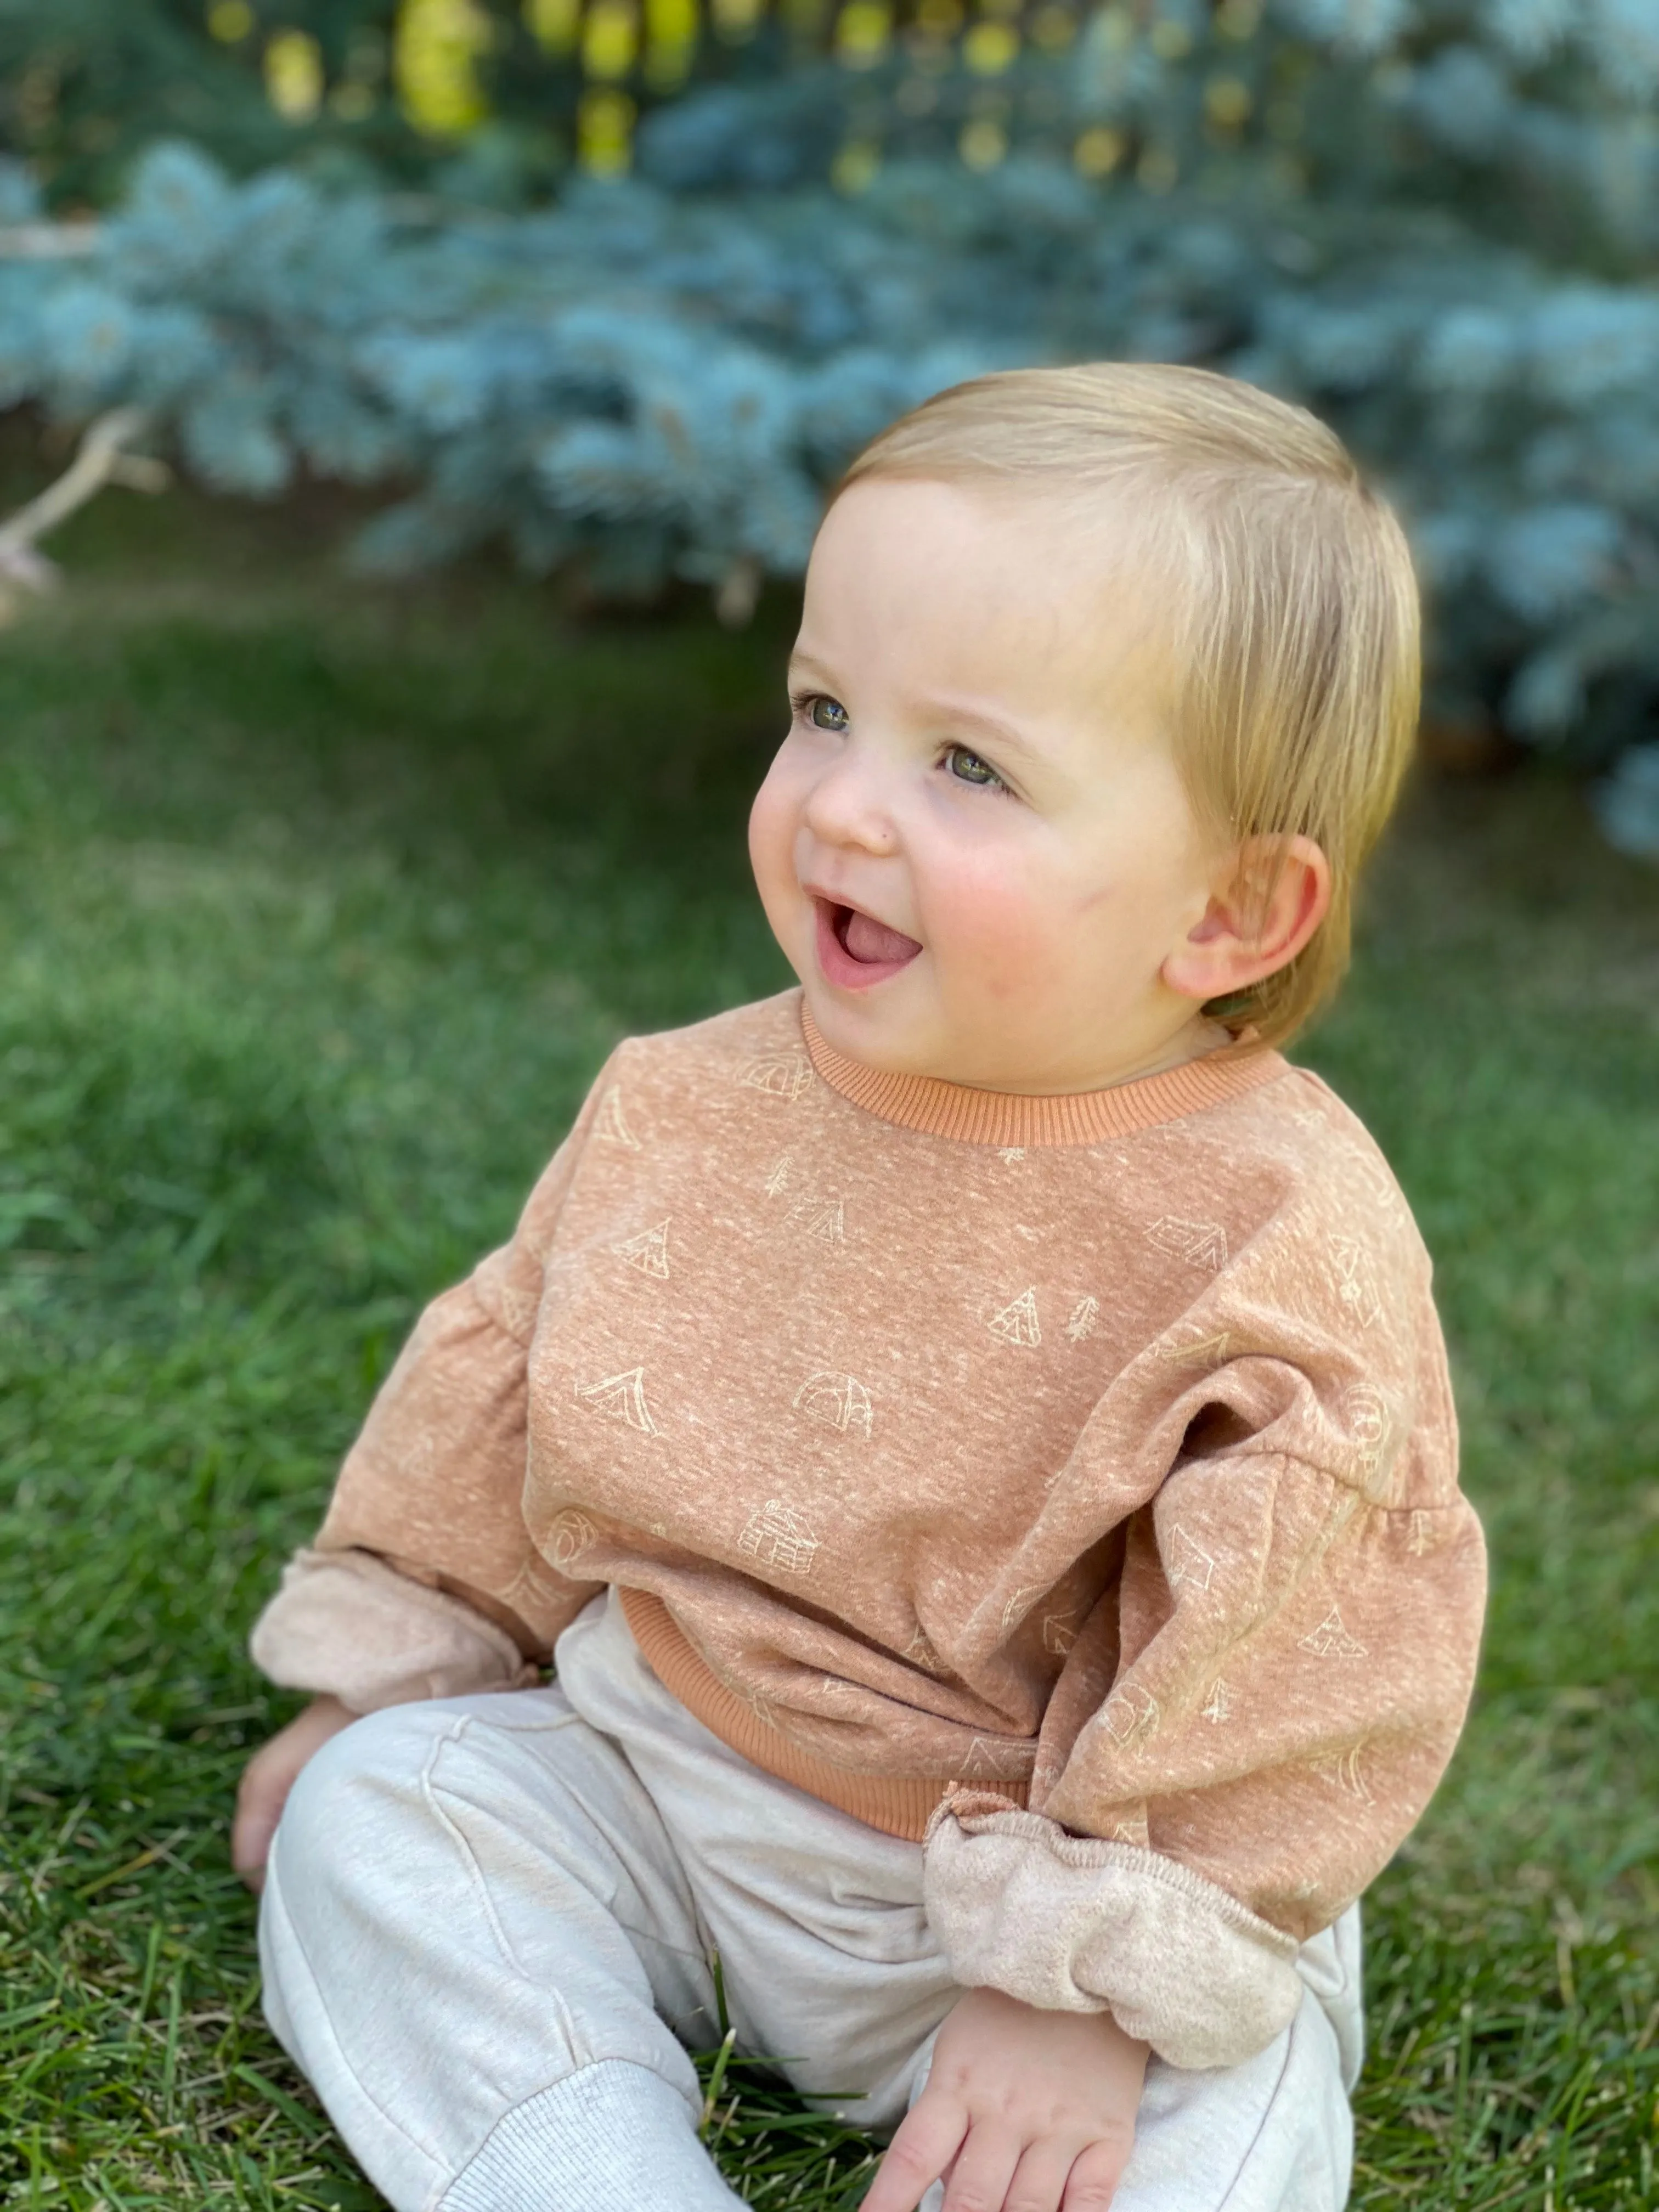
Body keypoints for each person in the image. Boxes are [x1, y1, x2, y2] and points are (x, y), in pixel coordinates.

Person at [233, 363, 1486, 2212]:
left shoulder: (1270, 1229)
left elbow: (1299, 1639)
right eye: (825, 710)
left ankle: (1104, 2058)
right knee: (379, 1826)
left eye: (966, 763)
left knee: (1232, 2098)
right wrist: (399, 1664)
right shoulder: (688, 1100)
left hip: (1041, 1882)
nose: (842, 807)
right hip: (662, 1774)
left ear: (1227, 914)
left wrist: (1086, 1982)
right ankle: (595, 2176)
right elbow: (513, 1382)